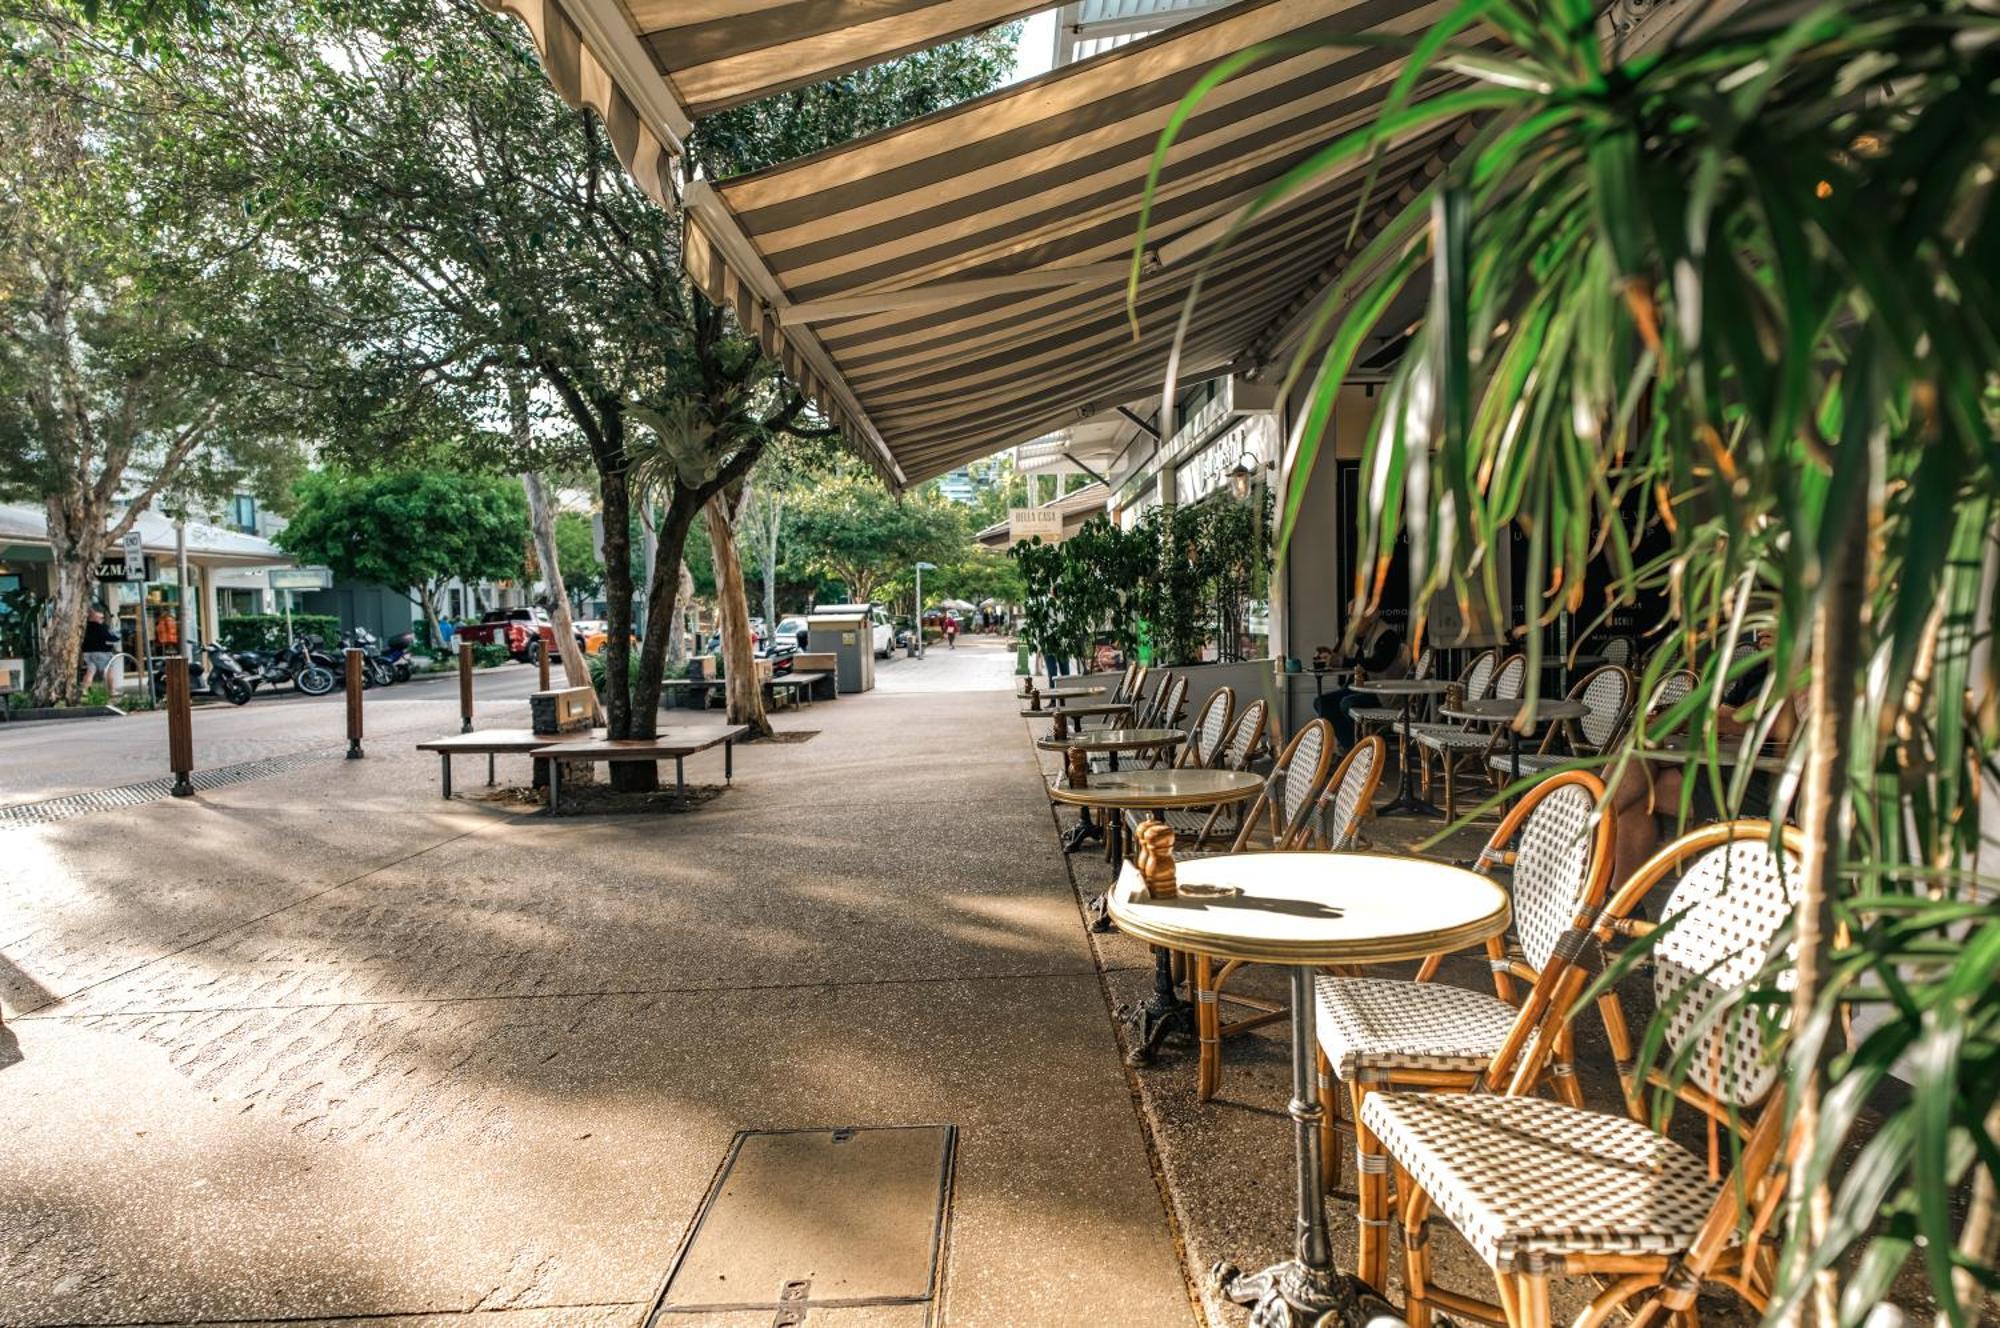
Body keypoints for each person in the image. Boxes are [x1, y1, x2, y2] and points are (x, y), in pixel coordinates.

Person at [1607, 630, 1795, 889]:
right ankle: (1618, 901)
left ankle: (1593, 829)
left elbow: (1778, 727)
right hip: (1726, 768)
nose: (1765, 629)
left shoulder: (1816, 670)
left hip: (1771, 785)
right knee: (1639, 761)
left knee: (1635, 787)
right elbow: (1725, 714)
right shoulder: (1761, 667)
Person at [1313, 610, 1406, 747]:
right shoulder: (1367, 637)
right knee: (1322, 702)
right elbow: (1354, 660)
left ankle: (1362, 748)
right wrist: (1333, 655)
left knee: (1346, 703)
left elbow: (1377, 663)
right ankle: (1352, 748)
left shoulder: (1387, 636)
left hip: (1386, 696)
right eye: (1349, 617)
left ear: (1370, 617)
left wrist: (1341, 661)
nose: (1351, 621)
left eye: (1354, 616)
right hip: (1369, 690)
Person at [80, 607, 118, 688]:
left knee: (90, 672)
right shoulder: (101, 627)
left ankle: (84, 691)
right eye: (101, 618)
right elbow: (111, 638)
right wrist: (116, 637)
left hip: (88, 654)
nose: (103, 620)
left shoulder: (85, 627)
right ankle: (112, 691)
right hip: (102, 653)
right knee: (109, 671)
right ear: (94, 618)